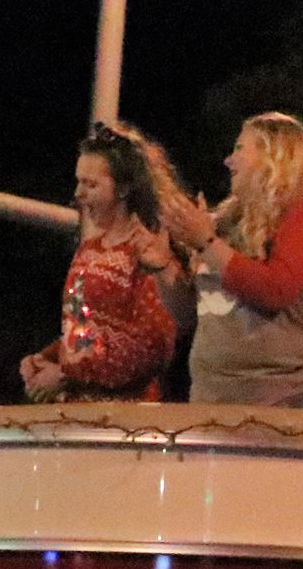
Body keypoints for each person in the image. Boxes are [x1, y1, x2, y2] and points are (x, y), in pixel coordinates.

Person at [156, 110, 303, 409]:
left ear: (276, 155)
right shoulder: (225, 223)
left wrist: (206, 243)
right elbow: (189, 317)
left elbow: (275, 289)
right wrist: (160, 266)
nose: (228, 160)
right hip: (209, 403)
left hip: (276, 405)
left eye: (240, 148)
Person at [20, 123, 184, 404]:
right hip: (76, 412)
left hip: (123, 421)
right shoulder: (89, 249)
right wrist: (47, 358)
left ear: (123, 189)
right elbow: (86, 331)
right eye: (78, 181)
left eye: (91, 184)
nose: (78, 194)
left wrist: (66, 372)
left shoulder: (147, 253)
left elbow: (152, 348)